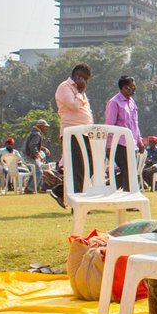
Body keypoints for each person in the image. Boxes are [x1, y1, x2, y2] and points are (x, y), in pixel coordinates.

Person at [52, 63, 94, 208]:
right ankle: (78, 203)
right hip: (72, 132)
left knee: (90, 167)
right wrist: (80, 92)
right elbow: (74, 106)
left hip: (84, 133)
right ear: (77, 76)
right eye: (85, 79)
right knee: (79, 168)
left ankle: (61, 191)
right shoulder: (65, 87)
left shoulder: (78, 90)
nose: (86, 83)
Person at [105, 75, 145, 191]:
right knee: (128, 171)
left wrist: (139, 141)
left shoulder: (132, 102)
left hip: (131, 143)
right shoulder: (114, 102)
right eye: (132, 86)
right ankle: (129, 198)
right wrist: (109, 146)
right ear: (125, 87)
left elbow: (135, 124)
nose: (134, 89)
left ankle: (107, 188)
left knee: (129, 171)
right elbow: (110, 126)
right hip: (119, 143)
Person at [21, 119, 50, 193]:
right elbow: (32, 146)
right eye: (44, 126)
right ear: (40, 126)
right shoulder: (37, 134)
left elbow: (33, 144)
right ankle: (30, 189)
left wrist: (43, 148)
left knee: (36, 171)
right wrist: (38, 154)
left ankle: (36, 188)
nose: (46, 128)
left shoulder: (34, 132)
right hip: (28, 155)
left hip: (26, 154)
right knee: (38, 171)